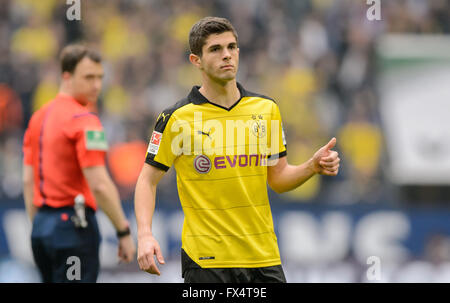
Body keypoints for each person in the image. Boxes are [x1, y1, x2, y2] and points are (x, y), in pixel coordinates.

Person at [134, 17, 340, 283]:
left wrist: (311, 167)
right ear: (196, 60)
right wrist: (145, 234)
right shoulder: (176, 118)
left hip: (263, 258)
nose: (227, 55)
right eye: (215, 49)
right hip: (206, 261)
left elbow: (277, 178)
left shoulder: (266, 110)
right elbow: (146, 180)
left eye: (232, 47)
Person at [22, 45, 136, 283]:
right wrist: (123, 230)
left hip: (42, 228)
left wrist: (40, 225)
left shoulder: (38, 117)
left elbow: (28, 179)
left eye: (100, 78)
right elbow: (100, 184)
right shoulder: (84, 120)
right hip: (73, 228)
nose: (96, 85)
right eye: (88, 77)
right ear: (66, 76)